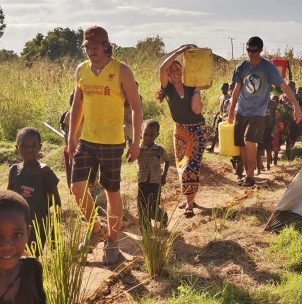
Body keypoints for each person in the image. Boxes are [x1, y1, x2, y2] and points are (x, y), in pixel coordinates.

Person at [66, 26, 142, 265]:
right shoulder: (82, 71)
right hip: (87, 140)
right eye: (86, 47)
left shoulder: (122, 71)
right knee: (77, 189)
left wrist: (136, 142)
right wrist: (71, 138)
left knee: (111, 192)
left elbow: (137, 108)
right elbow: (77, 106)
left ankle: (112, 240)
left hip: (112, 143)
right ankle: (96, 231)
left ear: (106, 45)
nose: (90, 51)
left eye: (94, 47)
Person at [227, 36, 301, 187]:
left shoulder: (268, 68)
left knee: (249, 140)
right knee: (241, 143)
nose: (250, 53)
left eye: (254, 50)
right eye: (248, 50)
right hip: (242, 110)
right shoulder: (241, 67)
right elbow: (236, 90)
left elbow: (284, 87)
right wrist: (231, 110)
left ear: (260, 50)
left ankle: (250, 177)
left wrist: (296, 106)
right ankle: (247, 174)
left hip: (258, 112)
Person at [158, 44, 208, 218]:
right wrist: (179, 52)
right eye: (172, 70)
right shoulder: (168, 89)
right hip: (180, 131)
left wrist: (196, 92)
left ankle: (188, 204)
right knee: (182, 166)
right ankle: (190, 198)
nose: (175, 72)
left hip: (197, 131)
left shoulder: (190, 86)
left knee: (191, 166)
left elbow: (196, 111)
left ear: (183, 71)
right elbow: (162, 68)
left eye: (178, 68)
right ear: (169, 75)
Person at [7, 127, 61, 252]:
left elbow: (57, 203)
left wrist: (55, 230)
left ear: (40, 147)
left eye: (33, 146)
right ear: (17, 148)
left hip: (39, 225)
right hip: (17, 224)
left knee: (32, 257)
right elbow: (7, 198)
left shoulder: (45, 171)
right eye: (24, 146)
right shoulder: (14, 170)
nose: (29, 150)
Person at [136, 119, 172, 228]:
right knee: (142, 207)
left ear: (157, 135)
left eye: (151, 135)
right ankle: (146, 231)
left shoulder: (159, 150)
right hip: (142, 183)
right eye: (145, 134)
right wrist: (130, 155)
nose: (147, 137)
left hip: (155, 183)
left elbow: (167, 160)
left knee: (152, 206)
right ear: (141, 133)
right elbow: (130, 157)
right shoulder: (138, 149)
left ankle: (163, 217)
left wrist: (164, 176)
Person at [206, 82, 230, 153]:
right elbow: (220, 108)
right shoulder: (221, 98)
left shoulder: (230, 98)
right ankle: (212, 148)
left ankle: (226, 149)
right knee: (216, 132)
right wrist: (216, 115)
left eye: (224, 88)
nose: (222, 90)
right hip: (220, 117)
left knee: (226, 133)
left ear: (227, 89)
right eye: (221, 88)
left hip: (226, 118)